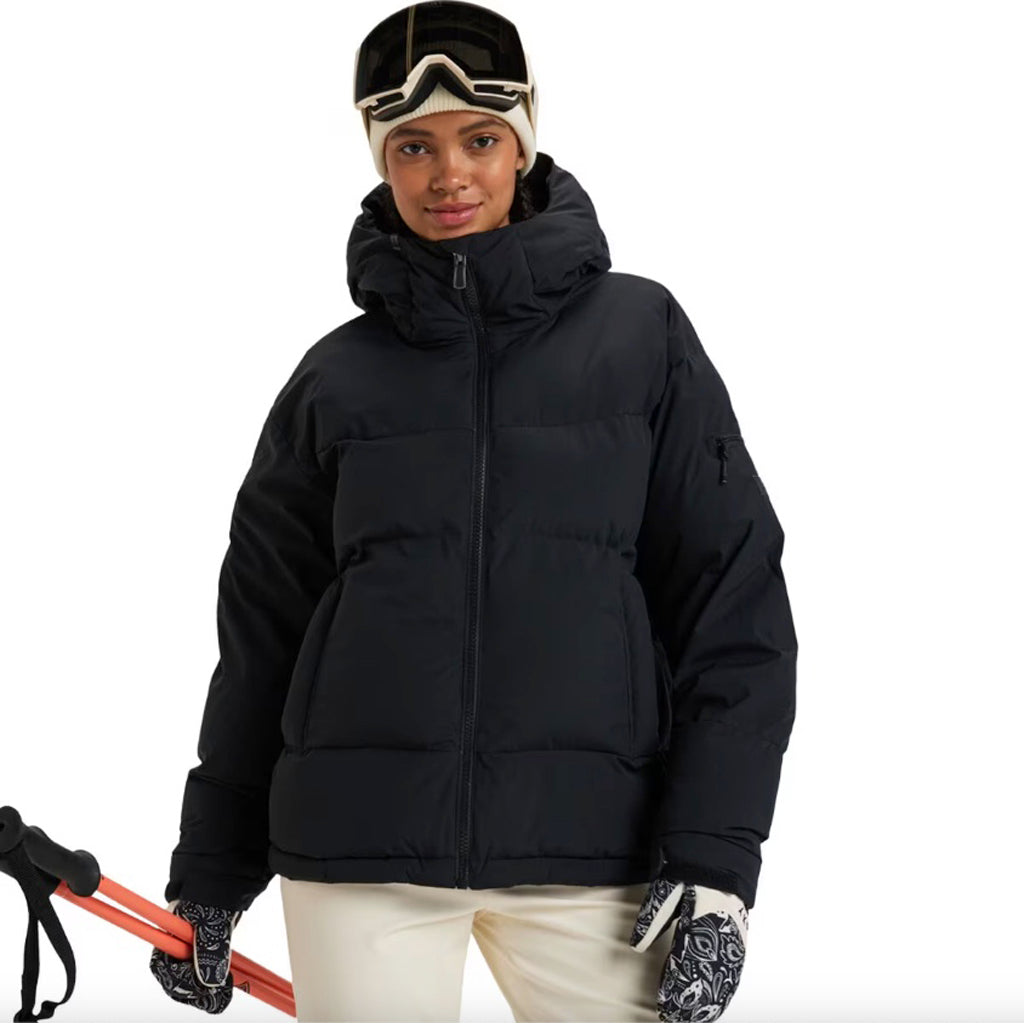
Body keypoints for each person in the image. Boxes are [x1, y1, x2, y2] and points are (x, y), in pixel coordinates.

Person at [148, 3, 798, 1021]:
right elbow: (263, 639)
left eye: (479, 140)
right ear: (381, 159)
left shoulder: (642, 337)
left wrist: (716, 861)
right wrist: (212, 874)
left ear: (522, 143)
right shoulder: (335, 378)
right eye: (414, 146)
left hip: (596, 852)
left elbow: (732, 602)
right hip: (359, 855)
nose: (448, 175)